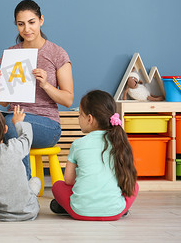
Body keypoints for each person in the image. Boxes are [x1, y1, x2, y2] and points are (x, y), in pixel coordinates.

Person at [0, 0, 74, 178]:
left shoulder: (57, 53)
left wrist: (46, 85)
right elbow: (4, 101)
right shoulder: (11, 54)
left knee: (13, 127)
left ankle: (24, 188)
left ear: (41, 20)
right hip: (14, 117)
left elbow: (68, 100)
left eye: (31, 22)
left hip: (47, 124)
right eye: (21, 24)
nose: (26, 29)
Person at [50, 90, 139, 221]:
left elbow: (68, 180)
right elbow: (126, 178)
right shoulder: (120, 142)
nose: (79, 118)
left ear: (90, 119)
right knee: (134, 186)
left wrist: (84, 184)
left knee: (58, 186)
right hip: (114, 212)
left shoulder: (78, 144)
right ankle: (118, 205)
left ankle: (66, 206)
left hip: (80, 211)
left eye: (80, 114)